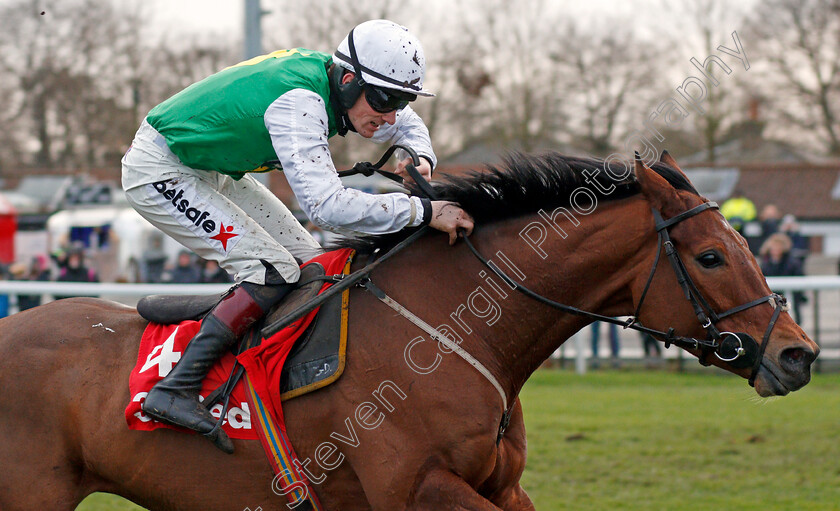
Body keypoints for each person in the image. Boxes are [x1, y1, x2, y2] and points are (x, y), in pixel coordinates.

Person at [121, 19, 474, 451]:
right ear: (348, 81)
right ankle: (174, 389)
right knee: (271, 272)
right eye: (385, 100)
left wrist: (420, 155)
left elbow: (407, 122)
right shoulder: (301, 103)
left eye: (399, 100)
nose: (390, 115)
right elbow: (329, 209)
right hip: (160, 169)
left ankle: (256, 362)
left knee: (310, 270)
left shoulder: (340, 79)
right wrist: (423, 211)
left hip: (207, 166)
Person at [760, 233, 805, 323]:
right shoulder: (765, 263)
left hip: (788, 297)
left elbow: (799, 278)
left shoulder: (792, 263)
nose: (776, 250)